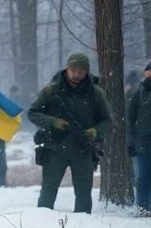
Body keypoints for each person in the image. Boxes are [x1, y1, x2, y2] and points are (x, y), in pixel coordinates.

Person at [28, 53, 112, 214]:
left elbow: (107, 122)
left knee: (83, 194)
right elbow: (33, 113)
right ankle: (40, 225)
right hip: (55, 148)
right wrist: (53, 122)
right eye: (73, 70)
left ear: (87, 72)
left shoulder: (96, 93)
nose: (76, 75)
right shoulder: (52, 90)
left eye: (81, 71)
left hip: (82, 149)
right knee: (48, 191)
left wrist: (94, 131)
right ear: (67, 69)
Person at [128, 60, 151, 211]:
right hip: (143, 140)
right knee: (143, 177)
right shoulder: (139, 91)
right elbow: (130, 118)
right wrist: (131, 142)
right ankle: (143, 208)